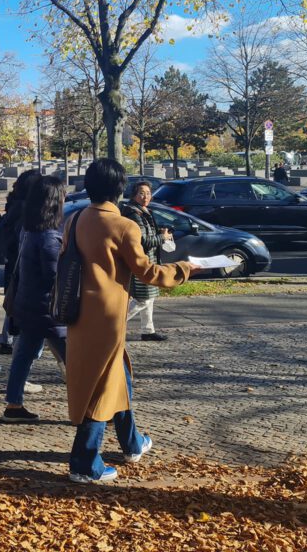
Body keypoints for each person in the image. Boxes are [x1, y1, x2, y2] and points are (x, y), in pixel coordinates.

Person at [66, 159, 196, 483]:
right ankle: (84, 463)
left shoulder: (75, 219)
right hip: (107, 317)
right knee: (101, 386)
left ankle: (132, 443)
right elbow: (148, 272)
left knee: (116, 377)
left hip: (78, 313)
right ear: (119, 188)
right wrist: (184, 269)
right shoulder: (124, 226)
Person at [2, 175, 68, 422]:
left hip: (27, 306)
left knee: (22, 357)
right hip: (48, 311)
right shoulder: (49, 238)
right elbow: (55, 276)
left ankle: (14, 404)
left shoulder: (29, 230)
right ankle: (91, 407)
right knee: (75, 361)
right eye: (63, 195)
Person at [0, 169, 42, 355]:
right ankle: (14, 344)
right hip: (21, 262)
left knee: (12, 302)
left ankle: (6, 341)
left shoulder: (13, 205)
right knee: (18, 304)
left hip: (12, 262)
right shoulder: (27, 210)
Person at [121, 181, 170, 342]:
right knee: (143, 298)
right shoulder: (134, 214)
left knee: (150, 298)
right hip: (141, 261)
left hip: (149, 260)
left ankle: (148, 330)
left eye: (148, 193)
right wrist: (162, 238)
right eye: (142, 193)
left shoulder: (144, 211)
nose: (146, 196)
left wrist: (161, 233)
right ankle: (113, 324)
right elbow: (143, 241)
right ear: (134, 195)